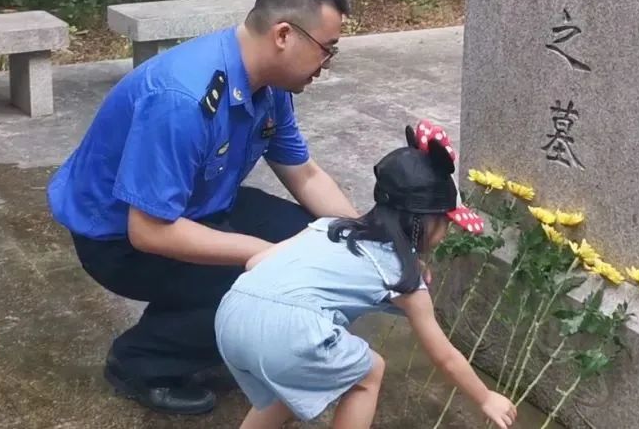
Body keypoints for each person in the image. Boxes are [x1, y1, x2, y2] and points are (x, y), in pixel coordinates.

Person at [47, 0, 362, 416]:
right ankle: (141, 360)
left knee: (316, 242)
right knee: (259, 278)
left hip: (196, 208)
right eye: (325, 51)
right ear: (284, 35)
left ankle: (213, 326)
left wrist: (366, 240)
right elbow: (149, 232)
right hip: (118, 239)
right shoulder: (183, 98)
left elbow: (306, 174)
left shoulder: (270, 87)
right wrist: (258, 253)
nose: (325, 66)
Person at [213, 120, 518, 429]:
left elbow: (256, 261)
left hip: (231, 312)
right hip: (289, 332)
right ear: (423, 223)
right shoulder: (404, 279)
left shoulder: (331, 227)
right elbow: (445, 356)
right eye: (446, 223)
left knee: (290, 385)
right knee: (368, 374)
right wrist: (485, 398)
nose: (446, 232)